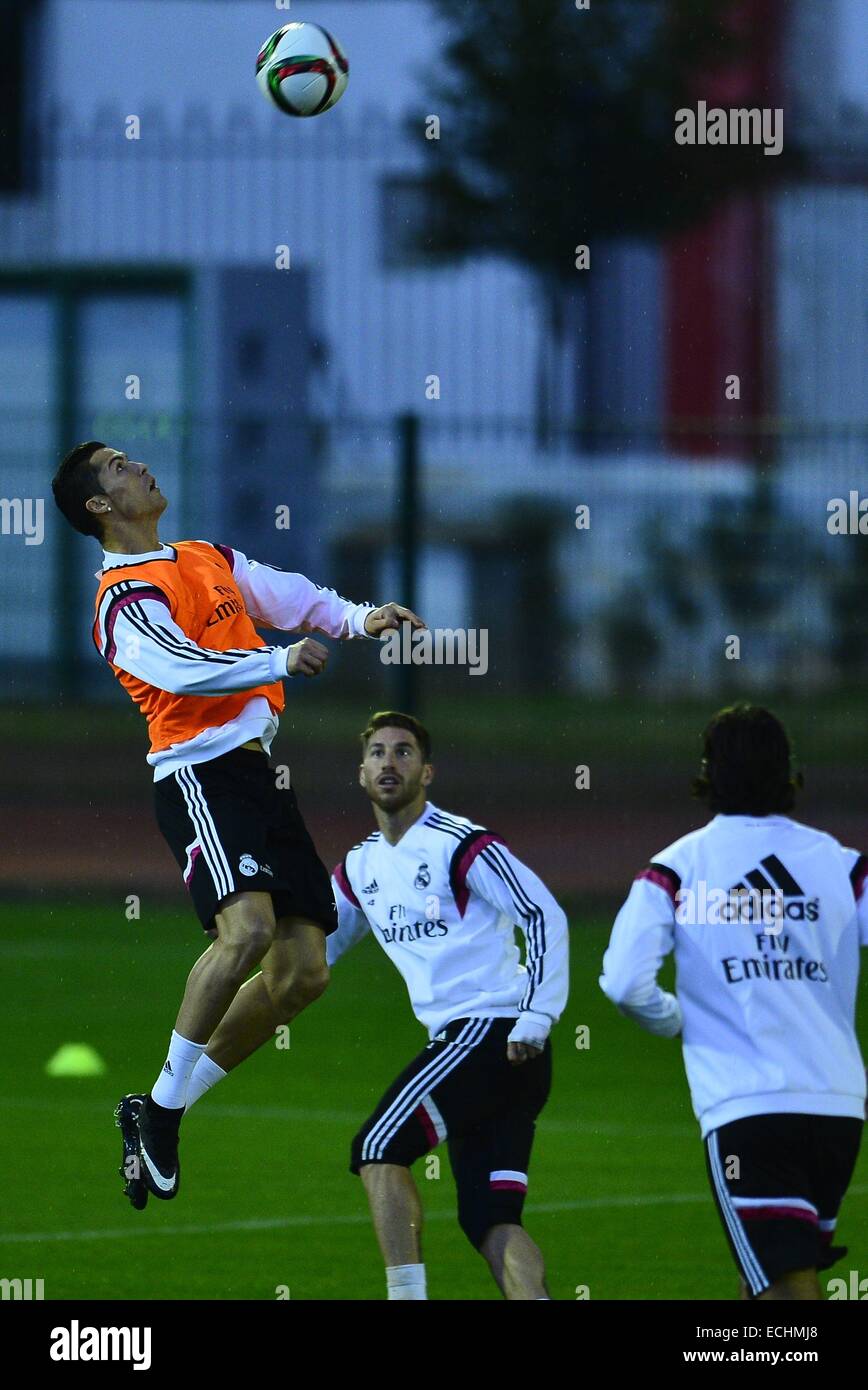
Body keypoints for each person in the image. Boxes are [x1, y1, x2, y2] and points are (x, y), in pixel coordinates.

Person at [50, 442, 424, 1209]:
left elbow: (286, 596)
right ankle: (159, 1107)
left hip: (257, 775)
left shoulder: (204, 556)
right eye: (119, 467)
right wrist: (276, 665)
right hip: (199, 773)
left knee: (303, 974)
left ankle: (159, 1112)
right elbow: (181, 668)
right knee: (246, 931)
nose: (141, 466)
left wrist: (361, 618)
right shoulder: (122, 600)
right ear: (97, 506)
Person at [600, 703, 866, 1300]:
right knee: (774, 1278)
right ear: (789, 772)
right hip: (838, 1105)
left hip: (747, 1106)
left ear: (707, 773)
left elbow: (623, 981)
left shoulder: (678, 866)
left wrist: (675, 1020)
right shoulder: (840, 863)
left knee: (783, 1289)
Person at [325, 710, 569, 1300]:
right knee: (491, 1222)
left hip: (491, 1030)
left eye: (404, 752)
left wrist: (536, 1015)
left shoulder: (461, 843)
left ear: (427, 771)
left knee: (379, 1149)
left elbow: (542, 913)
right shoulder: (359, 867)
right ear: (361, 774)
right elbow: (316, 951)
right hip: (500, 1055)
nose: (390, 762)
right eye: (377, 753)